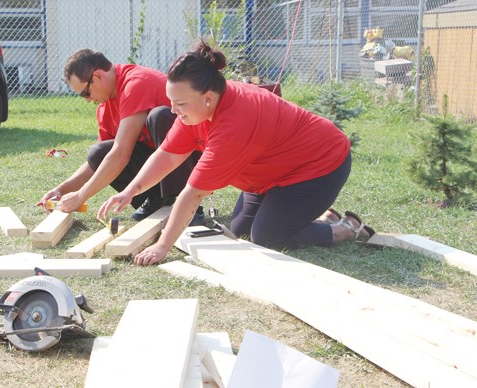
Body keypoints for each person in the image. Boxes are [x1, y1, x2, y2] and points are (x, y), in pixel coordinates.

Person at [98, 40, 375, 265]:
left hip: (318, 165)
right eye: (172, 101)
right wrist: (130, 190)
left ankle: (344, 228)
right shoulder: (196, 112)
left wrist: (162, 246)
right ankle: (313, 212)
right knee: (241, 229)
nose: (173, 110)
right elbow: (168, 155)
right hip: (269, 173)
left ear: (208, 97)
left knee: (268, 236)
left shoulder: (235, 122)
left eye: (180, 103)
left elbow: (192, 194)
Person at [37, 49, 202, 223]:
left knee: (159, 116)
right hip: (162, 161)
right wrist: (61, 190)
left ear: (98, 76)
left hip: (194, 154)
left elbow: (120, 156)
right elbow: (103, 161)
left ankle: (190, 205)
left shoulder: (135, 84)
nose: (87, 99)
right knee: (98, 153)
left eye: (86, 92)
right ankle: (158, 201)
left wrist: (81, 196)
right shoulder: (105, 108)